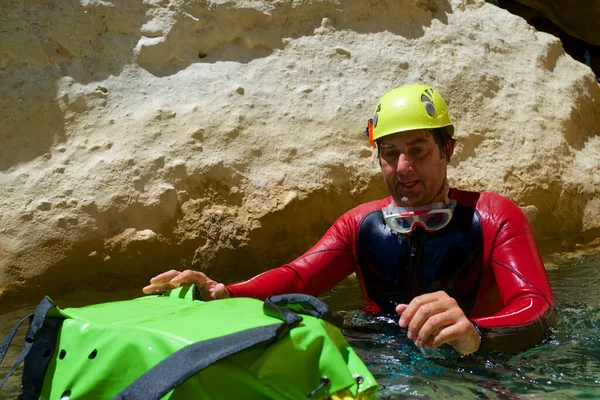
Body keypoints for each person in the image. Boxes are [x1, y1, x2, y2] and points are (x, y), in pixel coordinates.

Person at [144, 84, 556, 354]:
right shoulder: (360, 224)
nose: (402, 166)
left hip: (476, 363)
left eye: (418, 150)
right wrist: (224, 292)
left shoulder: (495, 215)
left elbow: (536, 308)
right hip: (379, 354)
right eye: (389, 153)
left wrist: (474, 333)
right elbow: (300, 278)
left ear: (448, 150)